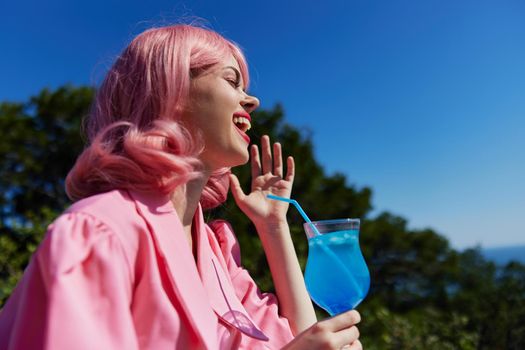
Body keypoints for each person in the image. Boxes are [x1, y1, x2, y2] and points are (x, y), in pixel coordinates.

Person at [0, 24, 362, 349]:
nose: (252, 100)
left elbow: (294, 338)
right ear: (172, 91)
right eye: (231, 81)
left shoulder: (215, 250)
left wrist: (273, 226)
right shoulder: (102, 232)